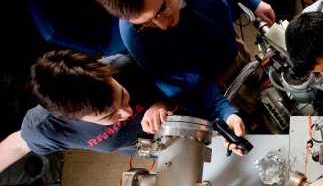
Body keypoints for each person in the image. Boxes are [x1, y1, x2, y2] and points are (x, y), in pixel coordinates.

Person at [81, 0, 275, 130]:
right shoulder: (137, 39)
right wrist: (226, 113)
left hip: (230, 41)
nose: (164, 25)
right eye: (147, 23)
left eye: (162, 8)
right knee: (245, 117)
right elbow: (189, 89)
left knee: (256, 79)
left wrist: (251, 0)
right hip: (213, 83)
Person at [0, 50, 245, 174]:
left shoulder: (126, 66)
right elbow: (14, 146)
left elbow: (197, 84)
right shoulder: (47, 128)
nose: (127, 112)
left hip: (203, 125)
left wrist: (164, 103)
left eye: (123, 96)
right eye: (110, 116)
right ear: (70, 118)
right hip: (171, 158)